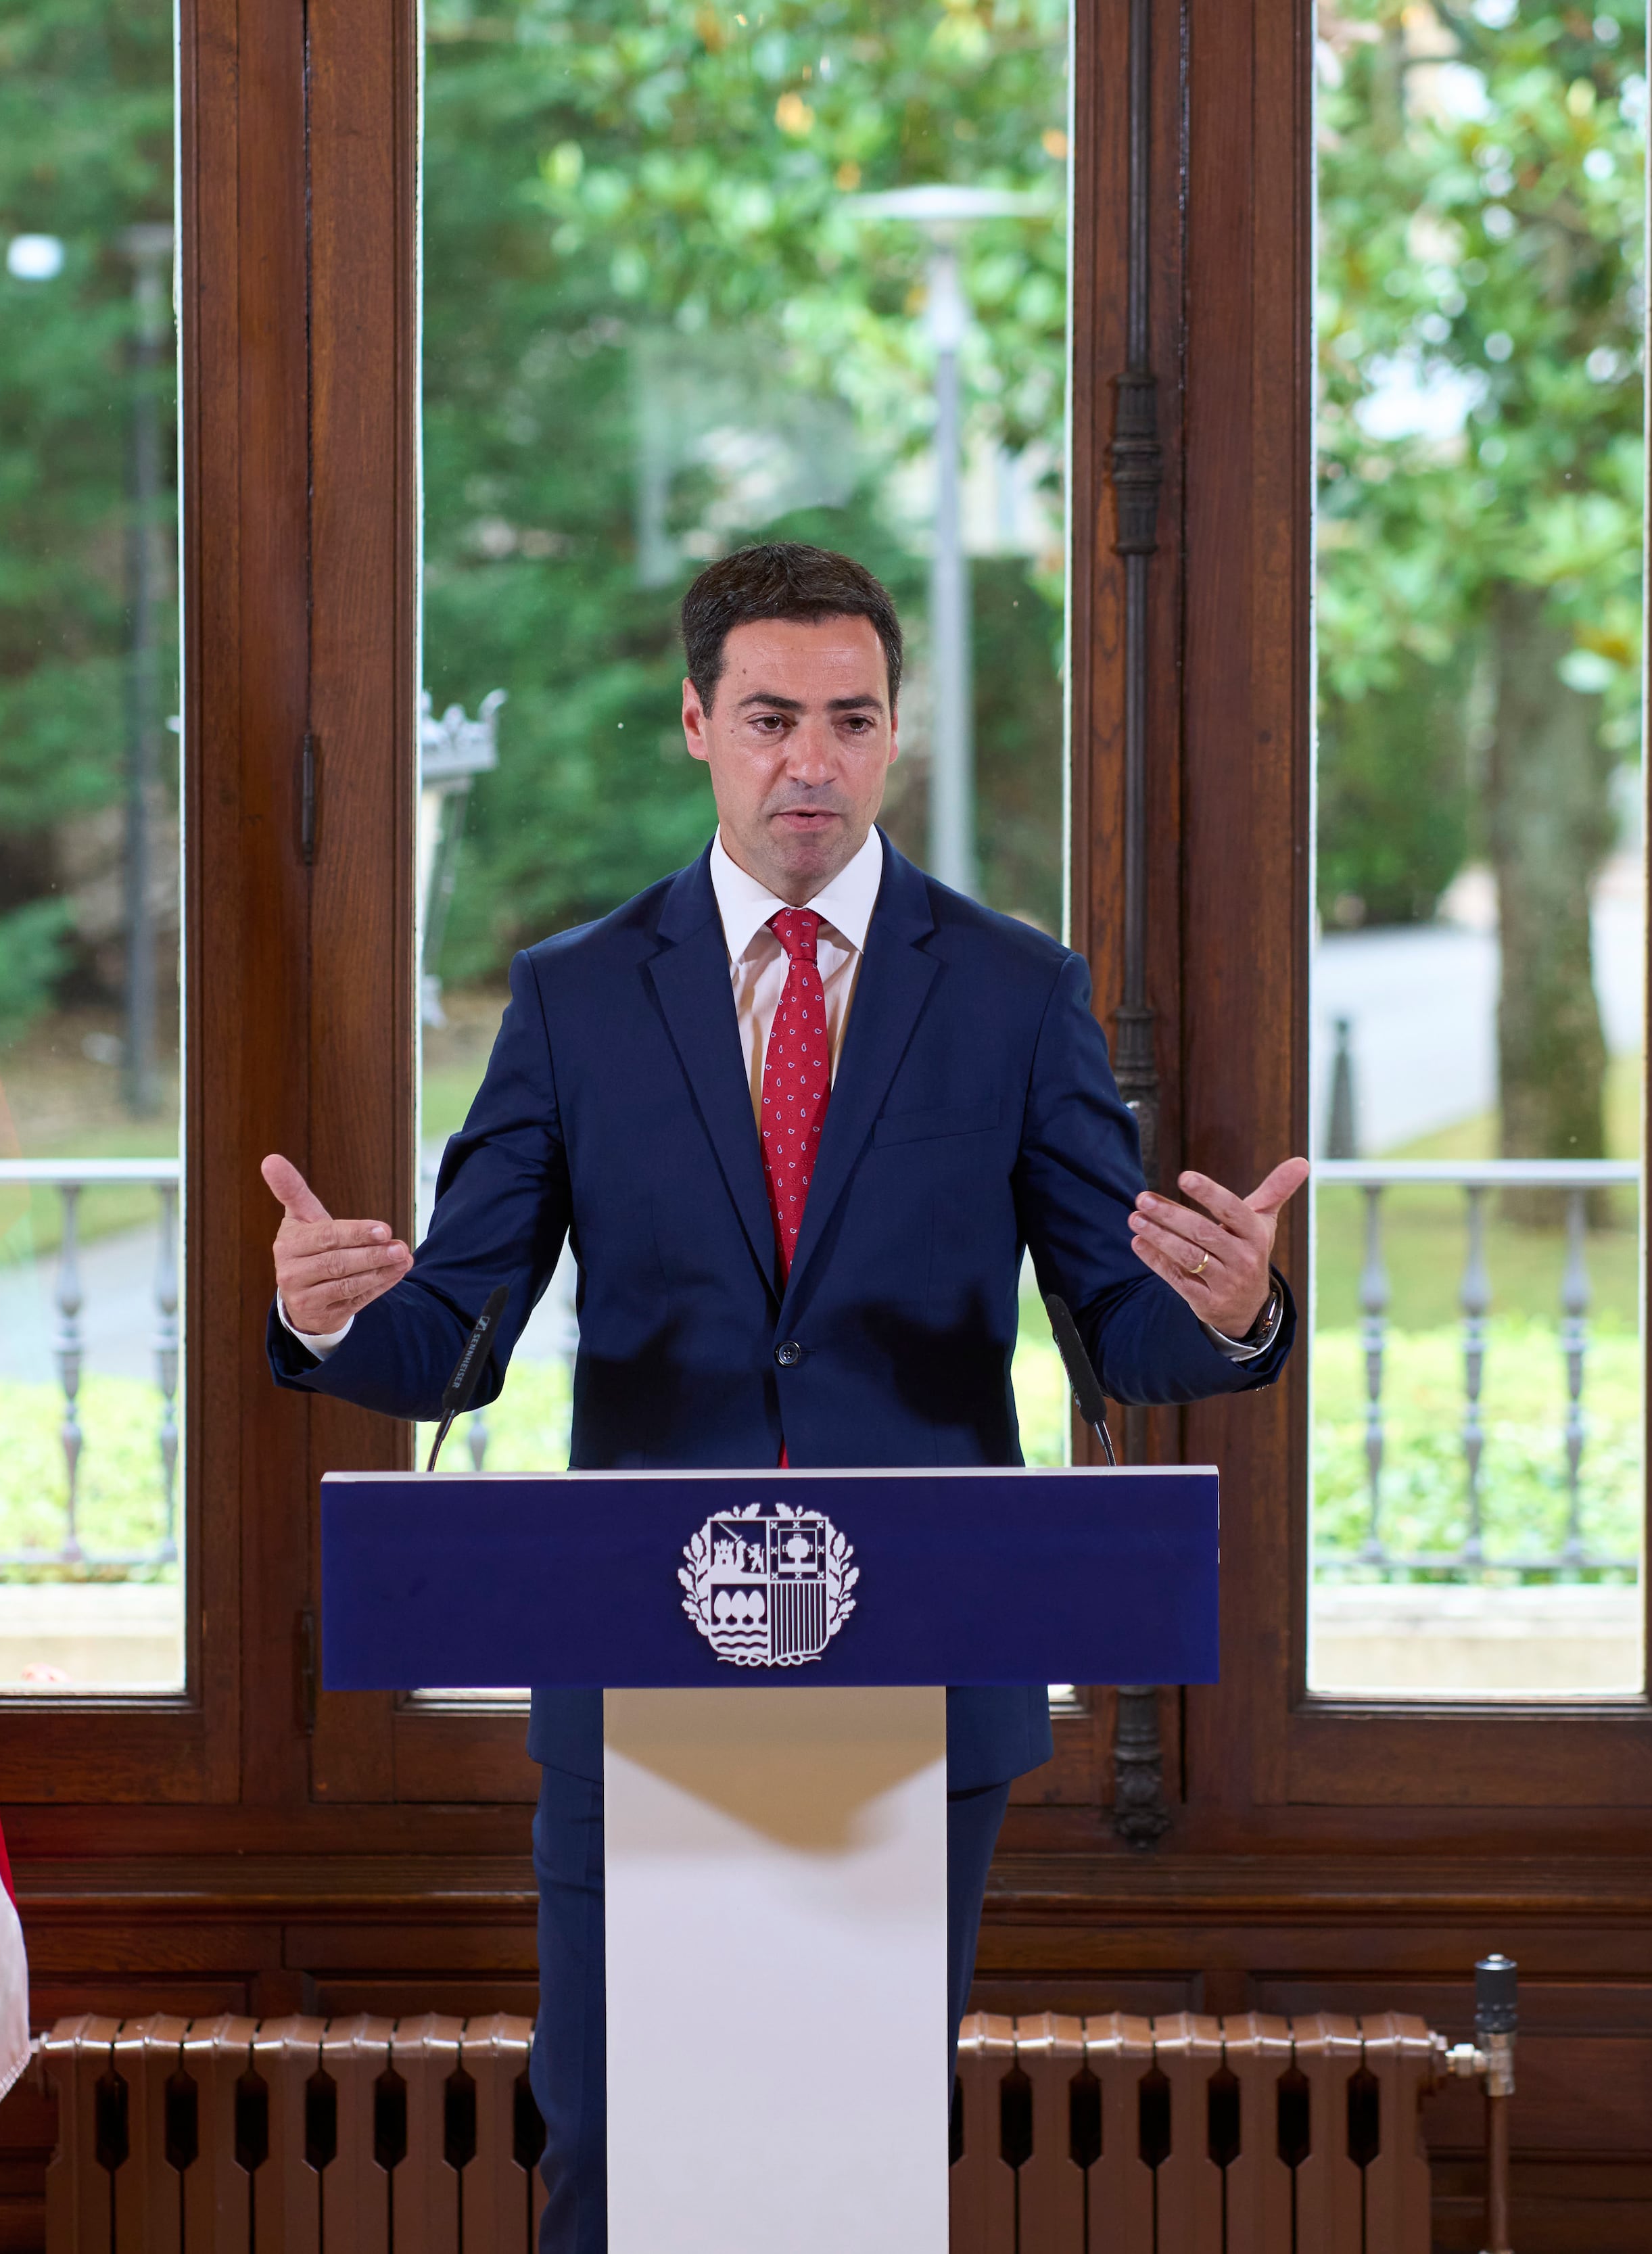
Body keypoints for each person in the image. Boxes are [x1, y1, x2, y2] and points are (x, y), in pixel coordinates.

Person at [261, 541, 1303, 2251]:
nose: (807, 759)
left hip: (916, 1681)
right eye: (767, 717)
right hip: (641, 1685)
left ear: (892, 736)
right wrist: (326, 1322)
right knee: (613, 2168)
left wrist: (1240, 1312)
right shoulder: (577, 994)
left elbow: (1118, 1326)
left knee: (846, 2180)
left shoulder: (1014, 987)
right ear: (695, 724)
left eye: (848, 718)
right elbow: (454, 1331)